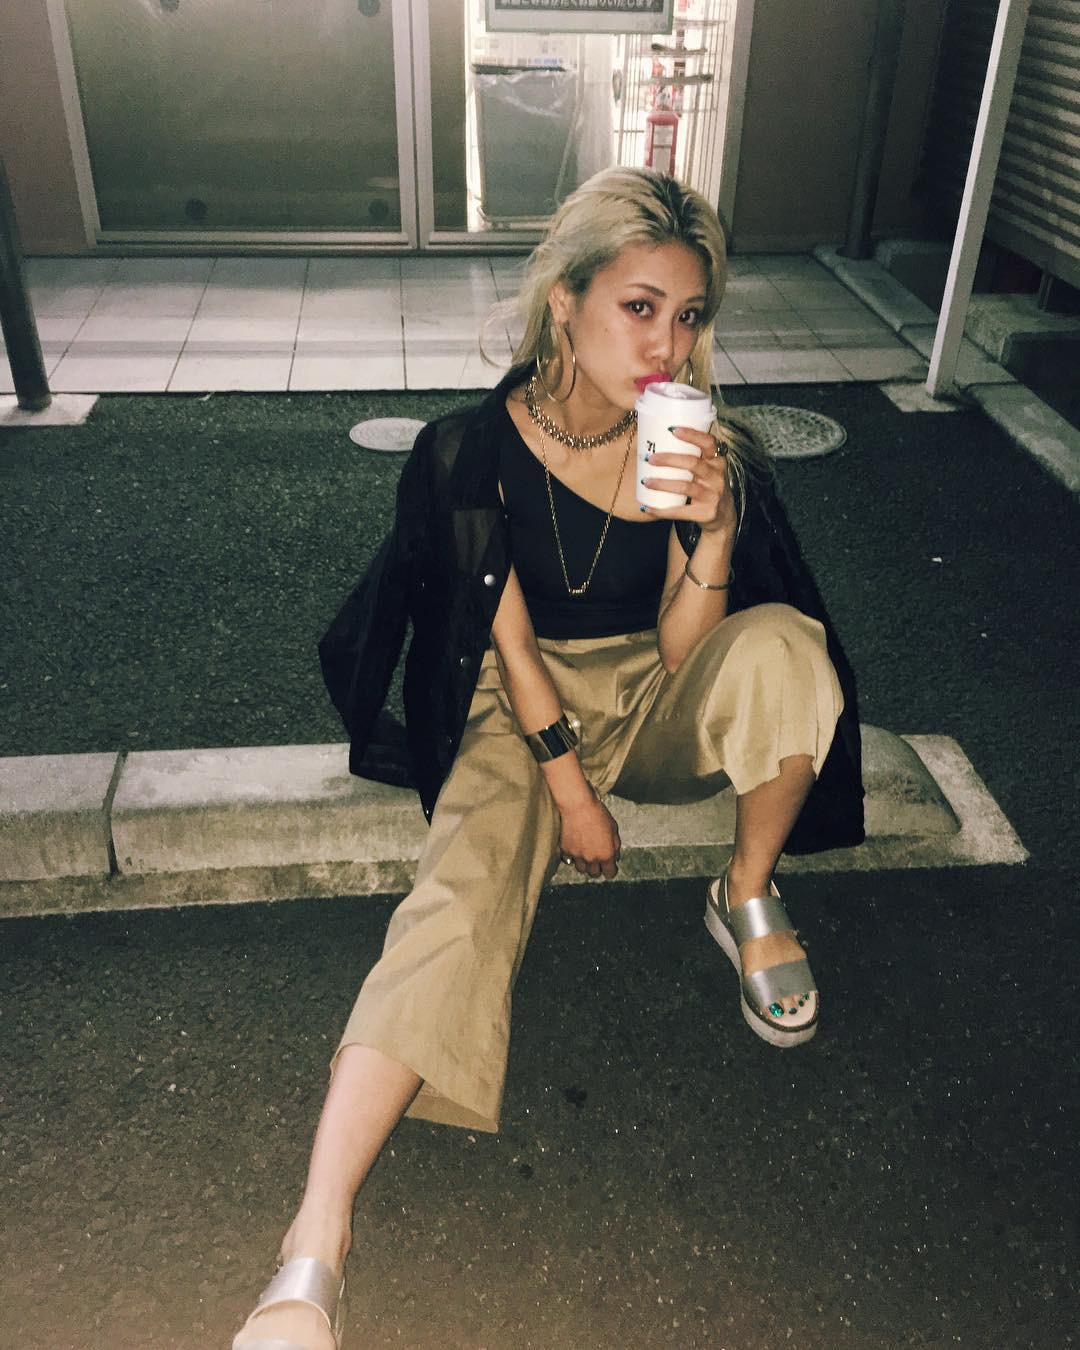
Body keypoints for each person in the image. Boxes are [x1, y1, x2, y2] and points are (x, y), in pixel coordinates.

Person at [231, 167, 864, 1350]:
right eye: (639, 307)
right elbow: (508, 645)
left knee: (789, 646)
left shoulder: (698, 443)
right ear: (565, 301)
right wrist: (571, 791)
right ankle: (313, 1249)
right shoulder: (471, 453)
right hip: (517, 702)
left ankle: (744, 891)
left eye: (688, 315)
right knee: (454, 901)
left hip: (652, 685)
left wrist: (715, 530)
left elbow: (687, 650)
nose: (668, 345)